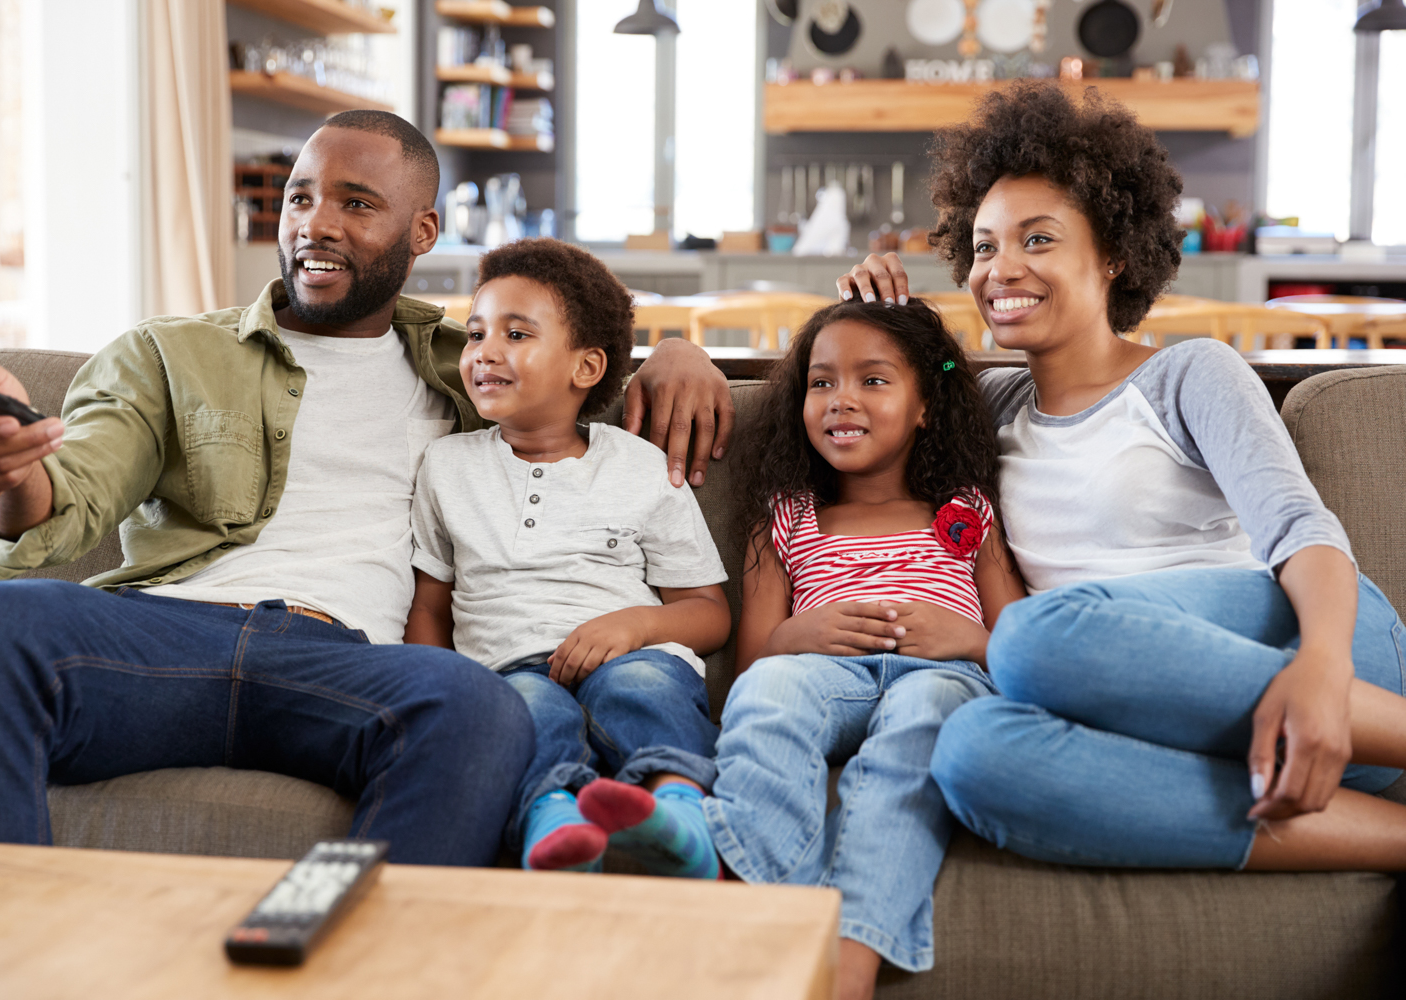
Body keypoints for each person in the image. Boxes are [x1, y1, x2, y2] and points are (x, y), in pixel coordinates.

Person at [0, 111, 733, 865]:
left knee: (480, 707)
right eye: (300, 198)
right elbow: (66, 494)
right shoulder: (169, 353)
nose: (316, 225)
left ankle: (347, 954)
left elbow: (571, 393)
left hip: (344, 662)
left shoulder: (467, 364)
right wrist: (9, 471)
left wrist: (678, 355)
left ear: (421, 232)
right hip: (160, 638)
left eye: (356, 203)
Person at [838, 81, 1406, 882]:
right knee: (969, 750)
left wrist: (1321, 670)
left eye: (1038, 240)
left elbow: (1303, 531)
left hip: (1325, 658)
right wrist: (690, 355)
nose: (1002, 268)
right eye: (985, 245)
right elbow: (872, 383)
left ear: (1113, 253)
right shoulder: (989, 406)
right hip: (1155, 715)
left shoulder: (1187, 375)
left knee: (1031, 639)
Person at [679, 299, 1024, 999]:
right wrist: (796, 636)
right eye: (822, 382)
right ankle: (777, 921)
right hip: (819, 676)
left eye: (873, 381)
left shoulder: (963, 510)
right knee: (769, 696)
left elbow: (1022, 643)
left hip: (943, 674)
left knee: (927, 715)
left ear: (926, 406)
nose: (842, 400)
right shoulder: (787, 516)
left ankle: (853, 956)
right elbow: (753, 668)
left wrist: (968, 640)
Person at [405, 239, 731, 876]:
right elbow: (429, 606)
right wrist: (444, 688)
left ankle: (680, 812)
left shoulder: (639, 465)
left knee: (642, 688)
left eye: (517, 333)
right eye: (475, 334)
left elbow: (709, 613)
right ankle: (554, 821)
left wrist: (634, 627)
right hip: (505, 669)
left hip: (632, 652)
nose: (484, 352)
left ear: (585, 368)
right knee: (528, 712)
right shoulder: (446, 466)